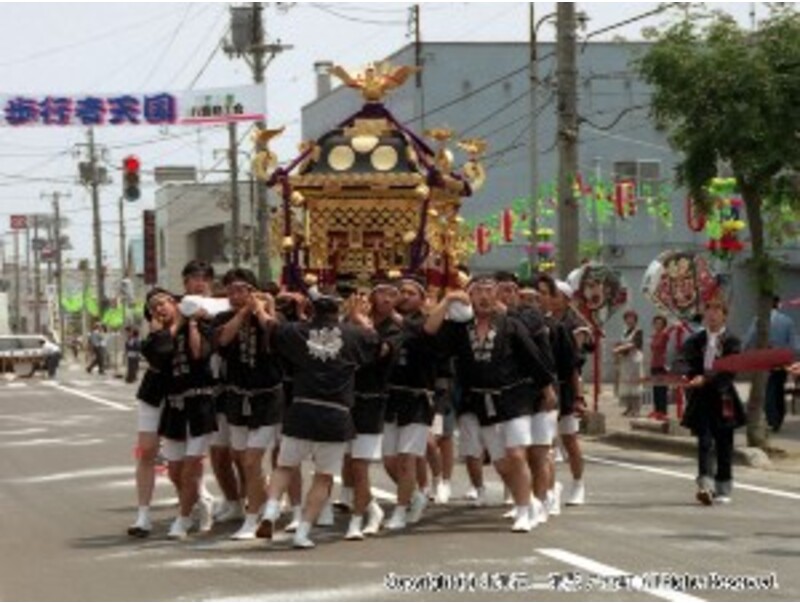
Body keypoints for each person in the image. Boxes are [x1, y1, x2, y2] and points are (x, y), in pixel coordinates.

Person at [426, 275, 558, 532]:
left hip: (514, 397)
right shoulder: (459, 329)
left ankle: (523, 511)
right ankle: (527, 499)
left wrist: (547, 390)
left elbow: (533, 357)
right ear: (470, 296)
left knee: (516, 453)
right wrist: (448, 299)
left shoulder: (510, 324)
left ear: (497, 294)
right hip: (480, 401)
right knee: (501, 463)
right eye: (478, 292)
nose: (484, 297)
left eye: (489, 291)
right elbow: (430, 332)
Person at [259, 290, 379, 549]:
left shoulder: (296, 331)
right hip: (336, 413)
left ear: (311, 310)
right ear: (338, 311)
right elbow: (376, 342)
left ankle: (270, 510)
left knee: (284, 467)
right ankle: (303, 532)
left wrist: (261, 308)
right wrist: (359, 318)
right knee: (323, 477)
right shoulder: (354, 334)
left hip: (302, 407)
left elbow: (271, 325)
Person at [215, 268, 284, 540]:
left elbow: (277, 336)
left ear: (253, 291)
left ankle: (252, 519)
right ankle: (265, 507)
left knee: (252, 460)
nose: (235, 295)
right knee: (243, 460)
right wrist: (243, 313)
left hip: (267, 397)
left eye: (241, 290)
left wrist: (264, 309)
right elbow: (222, 340)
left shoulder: (268, 318)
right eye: (230, 291)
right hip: (236, 396)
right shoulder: (223, 318)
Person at [149, 288, 217, 539]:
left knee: (190, 467)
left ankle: (183, 519)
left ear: (175, 303)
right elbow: (162, 354)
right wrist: (172, 326)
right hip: (174, 407)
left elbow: (199, 353)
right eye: (154, 307)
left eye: (162, 303)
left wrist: (192, 323)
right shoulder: (158, 337)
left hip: (199, 403)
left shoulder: (200, 324)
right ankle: (203, 500)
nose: (159, 309)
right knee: (176, 471)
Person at [342, 280, 402, 540]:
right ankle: (372, 508)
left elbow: (380, 350)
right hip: (345, 399)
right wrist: (352, 319)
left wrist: (361, 323)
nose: (387, 299)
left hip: (372, 400)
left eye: (393, 294)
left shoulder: (396, 328)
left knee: (359, 465)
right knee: (347, 463)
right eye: (381, 293)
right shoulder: (350, 323)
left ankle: (359, 519)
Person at [382, 275, 440, 531]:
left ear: (422, 299)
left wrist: (394, 316)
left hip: (417, 397)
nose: (404, 296)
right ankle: (414, 494)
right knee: (389, 460)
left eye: (410, 292)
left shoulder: (427, 322)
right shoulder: (385, 324)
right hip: (391, 397)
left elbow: (420, 335)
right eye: (400, 292)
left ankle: (400, 509)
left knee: (407, 458)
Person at [678, 292, 746, 505]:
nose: (712, 314)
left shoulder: (732, 340)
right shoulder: (696, 340)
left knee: (724, 442)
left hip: (723, 395)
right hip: (701, 397)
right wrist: (688, 375)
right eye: (709, 310)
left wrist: (706, 379)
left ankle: (723, 486)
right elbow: (684, 361)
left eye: (717, 310)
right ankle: (705, 484)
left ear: (725, 315)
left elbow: (729, 368)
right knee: (704, 441)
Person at [744, 296, 800, 432]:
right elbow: (793, 345)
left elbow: (749, 338)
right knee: (778, 388)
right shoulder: (787, 321)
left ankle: (771, 419)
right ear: (778, 305)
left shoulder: (758, 319)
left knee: (768, 388)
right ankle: (778, 418)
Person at [614, 310, 644, 417]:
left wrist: (620, 348)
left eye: (631, 318)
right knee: (626, 384)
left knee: (635, 384)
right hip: (625, 361)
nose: (629, 320)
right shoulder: (624, 331)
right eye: (627, 318)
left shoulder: (638, 331)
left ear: (635, 320)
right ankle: (628, 408)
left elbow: (635, 344)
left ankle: (636, 409)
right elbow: (622, 343)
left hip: (634, 360)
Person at [649, 315, 671, 421]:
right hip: (654, 364)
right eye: (656, 323)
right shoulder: (654, 335)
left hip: (662, 364)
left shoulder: (665, 335)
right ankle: (657, 410)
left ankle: (663, 411)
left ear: (664, 324)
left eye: (660, 323)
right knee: (655, 389)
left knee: (662, 389)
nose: (658, 325)